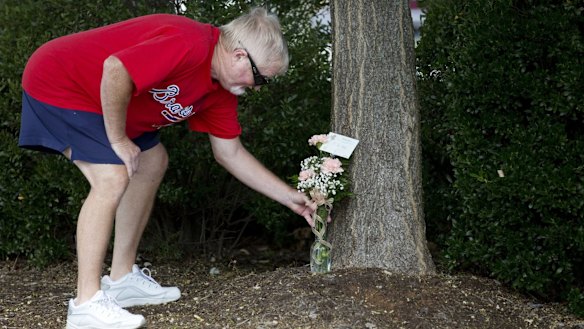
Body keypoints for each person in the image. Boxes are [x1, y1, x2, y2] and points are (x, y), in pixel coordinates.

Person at [19, 7, 316, 329]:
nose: (257, 88)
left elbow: (230, 153)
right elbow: (116, 69)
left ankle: (120, 280)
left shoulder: (219, 92)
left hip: (104, 100)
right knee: (112, 176)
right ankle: (85, 305)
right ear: (239, 55)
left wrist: (290, 198)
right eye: (261, 79)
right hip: (61, 81)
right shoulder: (190, 43)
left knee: (153, 160)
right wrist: (118, 139)